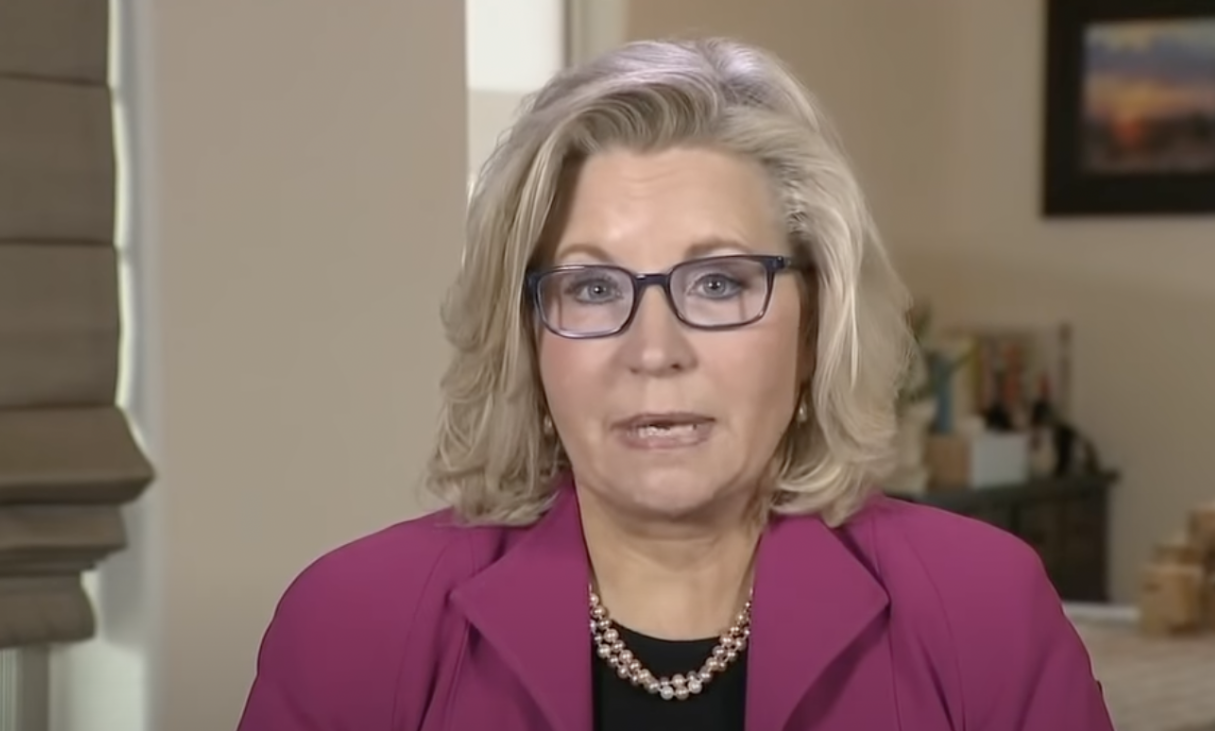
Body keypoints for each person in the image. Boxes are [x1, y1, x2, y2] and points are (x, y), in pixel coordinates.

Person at [236, 37, 1114, 731]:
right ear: (528, 338)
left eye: (719, 283)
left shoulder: (983, 608)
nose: (653, 350)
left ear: (814, 326)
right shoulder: (356, 622)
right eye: (591, 287)